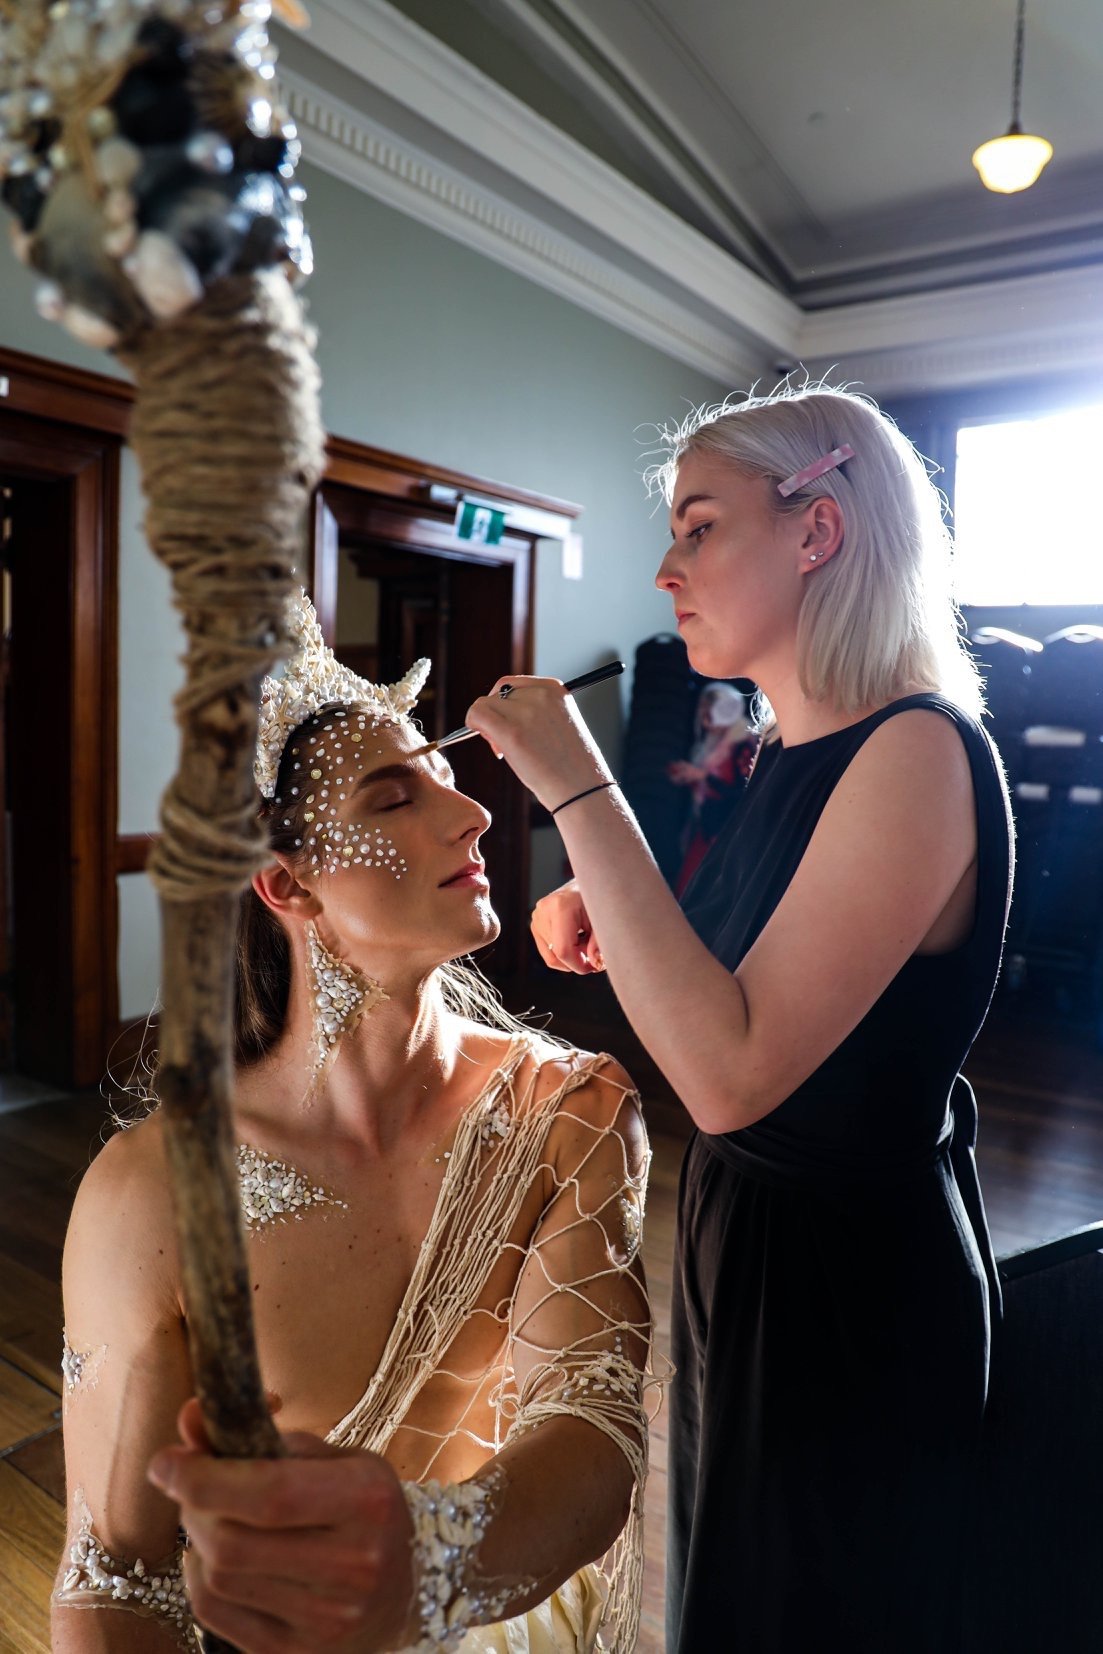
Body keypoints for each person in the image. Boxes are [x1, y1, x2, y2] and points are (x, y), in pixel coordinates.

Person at [462, 385, 1013, 1652]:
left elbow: (729, 1070)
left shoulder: (918, 752)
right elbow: (739, 981)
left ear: (814, 532)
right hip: (748, 1242)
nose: (664, 569)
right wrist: (606, 908)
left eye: (697, 527)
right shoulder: (785, 753)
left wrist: (578, 785)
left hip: (850, 1287)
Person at [52, 595, 652, 1653]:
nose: (471, 817)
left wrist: (426, 1561)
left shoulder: (567, 1113)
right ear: (287, 883)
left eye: (452, 782)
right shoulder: (153, 1193)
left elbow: (590, 1423)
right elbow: (118, 1575)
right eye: (391, 799)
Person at [667, 681, 758, 896]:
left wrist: (702, 776)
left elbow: (744, 791)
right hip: (706, 823)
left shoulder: (743, 743)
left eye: (710, 713)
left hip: (728, 829)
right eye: (703, 712)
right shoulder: (711, 740)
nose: (705, 719)